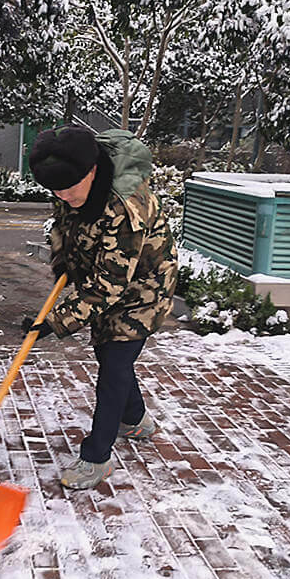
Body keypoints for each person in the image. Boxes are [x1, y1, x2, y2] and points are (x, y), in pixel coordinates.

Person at [21, 124, 179, 489]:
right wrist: (63, 262)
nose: (61, 195)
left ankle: (97, 458)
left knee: (114, 365)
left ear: (92, 171)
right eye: (54, 190)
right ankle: (136, 420)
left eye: (67, 188)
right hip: (106, 278)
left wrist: (55, 323)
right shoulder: (68, 185)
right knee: (112, 358)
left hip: (144, 288)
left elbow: (109, 287)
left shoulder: (124, 207)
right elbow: (62, 226)